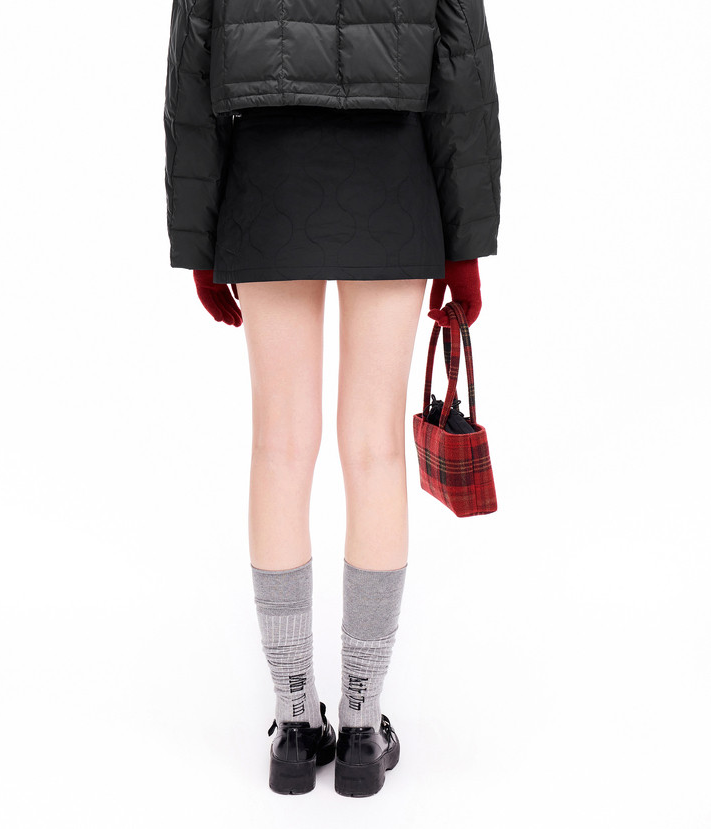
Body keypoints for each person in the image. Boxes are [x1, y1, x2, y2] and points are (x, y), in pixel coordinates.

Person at [164, 0, 501, 797]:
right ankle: (360, 726)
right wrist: (464, 245)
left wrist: (200, 239)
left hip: (267, 183)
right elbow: (464, 71)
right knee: (375, 450)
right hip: (394, 180)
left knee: (280, 447)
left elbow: (191, 67)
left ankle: (293, 722)